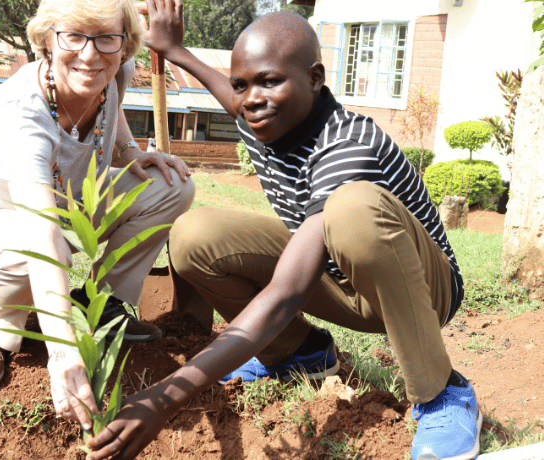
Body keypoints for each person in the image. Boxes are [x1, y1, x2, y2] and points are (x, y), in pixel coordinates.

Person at [86, 1, 479, 460]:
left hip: (420, 288)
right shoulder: (267, 115)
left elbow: (288, 290)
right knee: (194, 234)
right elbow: (234, 90)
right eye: (242, 86)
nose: (252, 98)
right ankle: (302, 354)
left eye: (270, 80)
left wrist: (166, 398)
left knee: (351, 207)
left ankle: (442, 392)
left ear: (315, 78)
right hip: (339, 276)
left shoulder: (349, 144)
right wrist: (174, 50)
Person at [0, 0, 194, 432]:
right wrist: (63, 352)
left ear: (124, 44)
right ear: (47, 41)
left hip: (65, 199)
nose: (90, 55)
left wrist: (131, 154)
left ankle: (102, 306)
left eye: (107, 38)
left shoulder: (114, 70)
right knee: (25, 249)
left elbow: (112, 102)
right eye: (74, 36)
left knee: (173, 185)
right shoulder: (26, 111)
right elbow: (40, 230)